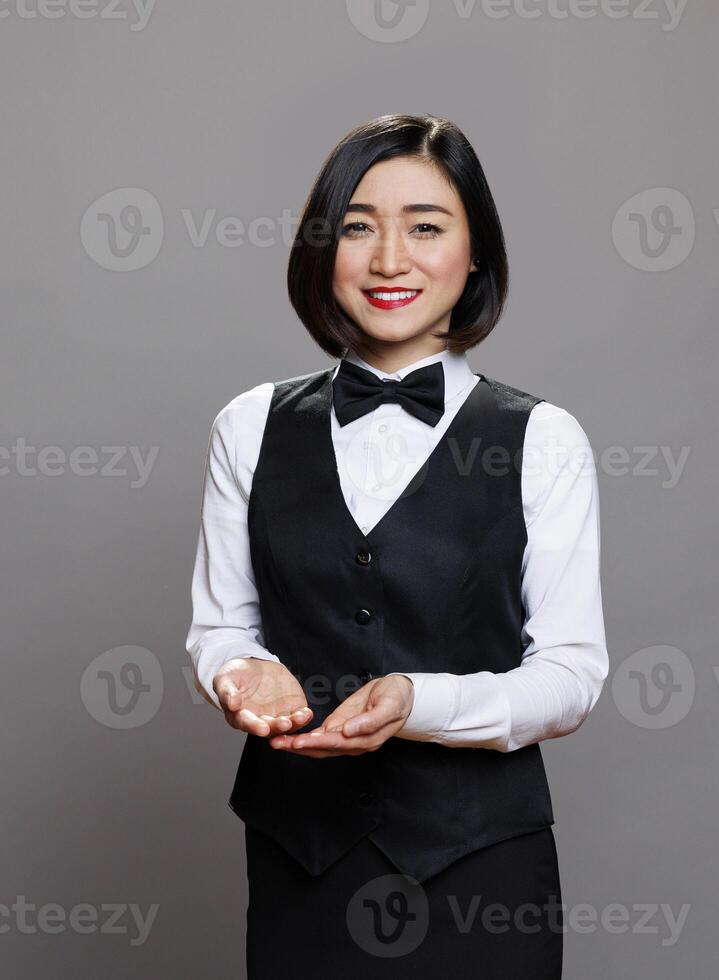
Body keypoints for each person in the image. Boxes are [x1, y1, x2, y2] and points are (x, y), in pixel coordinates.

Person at [185, 113, 610, 977]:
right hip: (301, 863)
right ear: (320, 250)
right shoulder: (249, 426)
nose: (389, 260)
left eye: (425, 226)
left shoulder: (544, 438)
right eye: (357, 227)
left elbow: (570, 679)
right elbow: (220, 629)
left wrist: (420, 702)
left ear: (475, 251)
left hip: (482, 875)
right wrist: (239, 676)